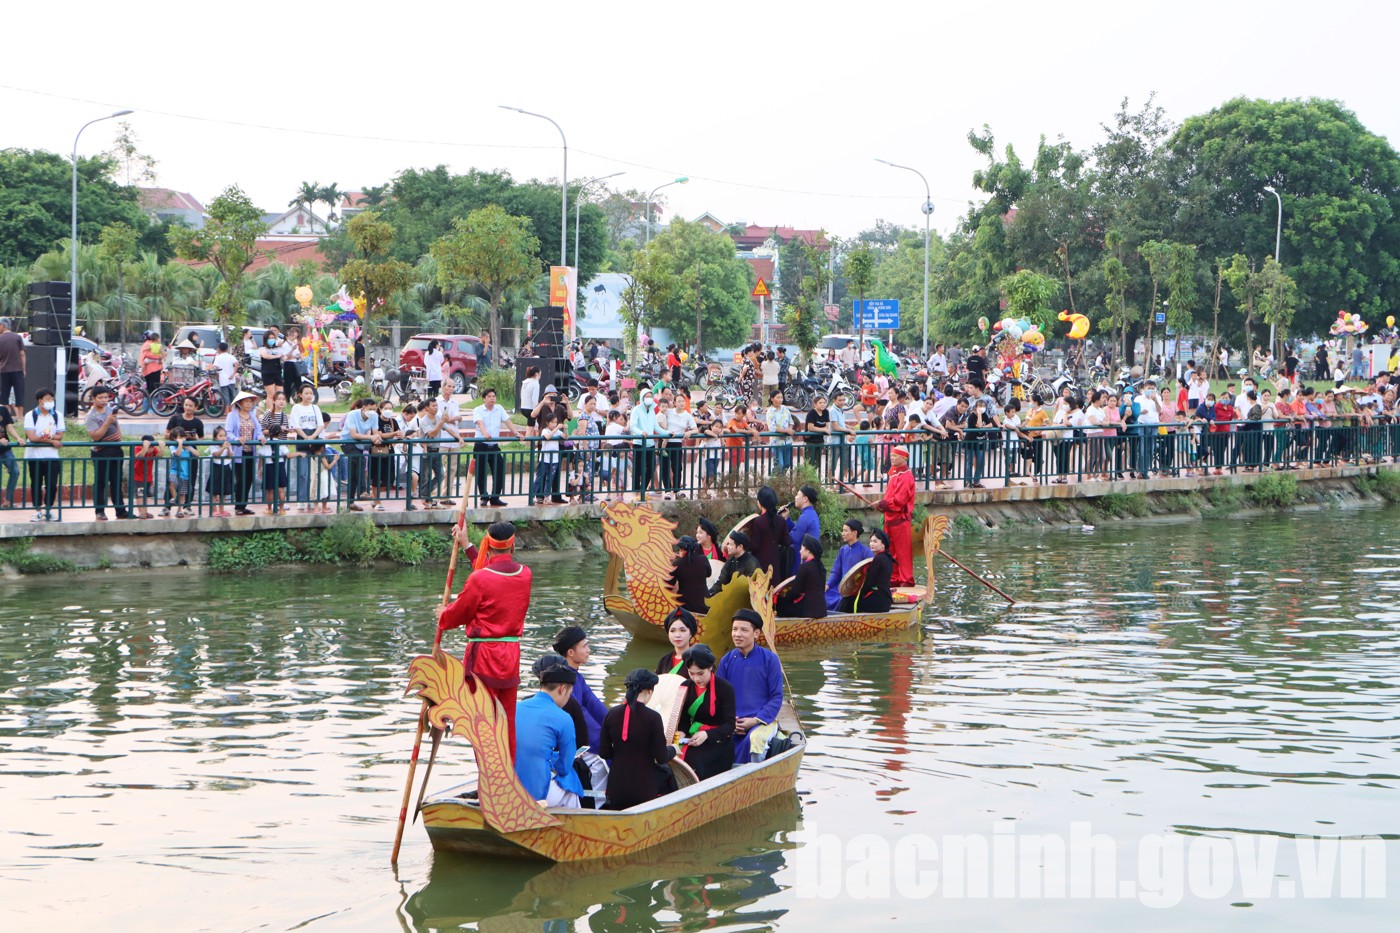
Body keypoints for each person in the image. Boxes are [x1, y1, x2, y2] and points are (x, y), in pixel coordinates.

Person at [438, 522, 531, 761]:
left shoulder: (480, 579)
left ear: (488, 544)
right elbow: (491, 576)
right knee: (507, 722)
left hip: (485, 657)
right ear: (512, 544)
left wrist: (444, 614)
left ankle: (489, 780)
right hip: (511, 655)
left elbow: (459, 613)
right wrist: (467, 545)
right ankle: (507, 778)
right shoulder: (525, 574)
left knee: (484, 722)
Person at [598, 668, 678, 810]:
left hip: (617, 787)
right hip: (644, 789)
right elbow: (661, 757)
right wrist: (673, 749)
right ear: (649, 692)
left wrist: (622, 753)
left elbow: (604, 752)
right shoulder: (653, 717)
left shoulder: (612, 714)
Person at [716, 609, 785, 765]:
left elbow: (776, 696)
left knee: (755, 740)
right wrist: (729, 722)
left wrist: (755, 720)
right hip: (733, 722)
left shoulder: (770, 659)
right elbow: (719, 696)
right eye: (734, 629)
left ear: (756, 633)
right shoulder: (726, 660)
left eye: (744, 630)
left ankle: (754, 778)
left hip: (761, 721)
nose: (737, 634)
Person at [514, 661, 584, 807]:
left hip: (508, 786)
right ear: (562, 689)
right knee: (571, 785)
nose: (567, 699)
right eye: (569, 694)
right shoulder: (563, 718)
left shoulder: (515, 707)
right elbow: (564, 767)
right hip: (536, 792)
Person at [675, 645, 736, 781]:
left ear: (710, 668)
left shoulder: (725, 689)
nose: (696, 679)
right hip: (694, 736)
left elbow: (730, 725)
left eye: (700, 673)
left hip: (719, 741)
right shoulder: (685, 686)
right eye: (691, 673)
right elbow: (684, 720)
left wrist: (707, 734)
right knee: (671, 756)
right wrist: (682, 733)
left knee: (694, 760)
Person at [554, 625, 607, 752]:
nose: (588, 650)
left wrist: (615, 725)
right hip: (572, 743)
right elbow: (581, 716)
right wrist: (606, 741)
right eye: (584, 646)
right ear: (571, 653)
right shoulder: (565, 682)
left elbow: (595, 705)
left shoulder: (577, 677)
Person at [84, 386, 129, 520]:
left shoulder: (110, 410)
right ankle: (99, 511)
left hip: (116, 450)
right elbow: (95, 436)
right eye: (101, 398)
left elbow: (116, 425)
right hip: (101, 452)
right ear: (93, 399)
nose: (104, 400)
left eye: (106, 397)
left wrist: (118, 434)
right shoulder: (90, 416)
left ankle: (120, 510)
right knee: (101, 481)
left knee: (116, 480)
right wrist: (107, 422)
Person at [874, 445, 915, 587]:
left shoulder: (906, 476)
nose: (891, 457)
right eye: (891, 455)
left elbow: (900, 500)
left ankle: (906, 579)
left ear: (904, 458)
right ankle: (894, 576)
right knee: (891, 550)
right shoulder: (894, 474)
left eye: (895, 455)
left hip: (900, 519)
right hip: (889, 518)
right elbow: (890, 496)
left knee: (903, 552)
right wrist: (882, 504)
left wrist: (882, 503)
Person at [24, 389, 64, 522]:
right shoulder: (31, 415)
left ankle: (49, 509)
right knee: (36, 484)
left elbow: (60, 435)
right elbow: (32, 437)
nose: (50, 401)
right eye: (47, 399)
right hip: (34, 456)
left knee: (52, 484)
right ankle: (37, 510)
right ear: (39, 401)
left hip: (52, 457)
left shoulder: (57, 415)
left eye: (52, 399)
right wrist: (51, 440)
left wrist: (49, 436)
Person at [473, 388, 518, 507]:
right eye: (489, 396)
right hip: (481, 445)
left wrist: (516, 433)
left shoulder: (499, 408)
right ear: (484, 398)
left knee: (499, 470)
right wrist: (485, 434)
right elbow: (480, 423)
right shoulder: (478, 410)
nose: (492, 398)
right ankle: (483, 496)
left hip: (494, 446)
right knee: (481, 472)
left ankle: (495, 497)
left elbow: (508, 421)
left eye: (494, 396)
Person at [224, 391, 264, 516]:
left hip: (250, 452)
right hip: (238, 453)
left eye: (250, 402)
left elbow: (258, 430)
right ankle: (238, 506)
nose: (249, 404)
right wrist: (237, 439)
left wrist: (261, 437)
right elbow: (229, 432)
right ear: (240, 403)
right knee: (240, 479)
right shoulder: (232, 415)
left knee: (248, 479)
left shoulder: (252, 416)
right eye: (246, 401)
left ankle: (244, 505)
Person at [840, 530, 894, 613]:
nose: (872, 544)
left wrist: (859, 594)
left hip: (879, 602)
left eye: (875, 541)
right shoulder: (888, 558)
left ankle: (842, 624)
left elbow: (869, 583)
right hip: (886, 600)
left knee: (847, 601)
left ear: (883, 544)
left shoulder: (878, 559)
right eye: (871, 541)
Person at [825, 518, 873, 611]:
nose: (842, 533)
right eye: (842, 530)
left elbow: (870, 575)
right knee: (822, 595)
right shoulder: (842, 550)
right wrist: (828, 585)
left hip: (855, 590)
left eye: (845, 531)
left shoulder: (865, 552)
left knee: (843, 600)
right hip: (841, 587)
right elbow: (836, 572)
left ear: (854, 533)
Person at [776, 534, 827, 619]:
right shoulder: (821, 567)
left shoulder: (804, 567)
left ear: (808, 551)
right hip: (822, 609)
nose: (800, 551)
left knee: (780, 603)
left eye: (802, 548)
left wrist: (783, 596)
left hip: (808, 610)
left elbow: (795, 592)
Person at [708, 529, 760, 597]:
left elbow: (751, 587)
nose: (728, 547)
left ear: (740, 547)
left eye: (731, 544)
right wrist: (709, 593)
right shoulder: (731, 561)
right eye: (728, 544)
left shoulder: (752, 563)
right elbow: (721, 582)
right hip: (732, 597)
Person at [750, 485, 787, 579]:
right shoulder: (781, 520)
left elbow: (754, 546)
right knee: (773, 591)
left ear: (760, 502)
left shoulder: (758, 521)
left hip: (760, 565)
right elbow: (787, 541)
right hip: (775, 564)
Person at [670, 535, 710, 614]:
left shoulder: (677, 564)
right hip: (705, 605)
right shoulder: (703, 559)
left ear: (681, 549)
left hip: (685, 607)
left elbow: (669, 584)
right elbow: (708, 574)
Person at [656, 607, 698, 675]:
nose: (677, 635)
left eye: (682, 630)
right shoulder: (664, 660)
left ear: (691, 633)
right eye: (672, 631)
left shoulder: (698, 659)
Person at [0, 317, 26, 418]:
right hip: (17, 370)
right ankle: (20, 418)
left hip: (3, 371)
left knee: (4, 395)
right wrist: (23, 369)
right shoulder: (17, 337)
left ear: (2, 326)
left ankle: (6, 417)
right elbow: (22, 354)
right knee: (19, 393)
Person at [784, 484, 820, 554]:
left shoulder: (805, 517)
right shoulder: (811, 513)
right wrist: (787, 518)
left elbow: (793, 538)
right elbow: (798, 530)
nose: (795, 497)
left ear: (805, 499)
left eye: (797, 495)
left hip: (803, 560)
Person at [138, 330, 164, 399]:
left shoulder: (146, 344)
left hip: (147, 370)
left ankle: (150, 405)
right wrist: (159, 357)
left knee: (150, 389)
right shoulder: (150, 344)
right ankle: (152, 406)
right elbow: (147, 354)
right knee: (154, 389)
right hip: (153, 369)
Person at [519, 365, 541, 436]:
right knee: (531, 427)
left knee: (530, 425)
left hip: (523, 408)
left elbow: (521, 395)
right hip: (530, 409)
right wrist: (536, 410)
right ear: (537, 374)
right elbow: (534, 399)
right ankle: (528, 443)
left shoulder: (525, 382)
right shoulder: (535, 383)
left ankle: (529, 443)